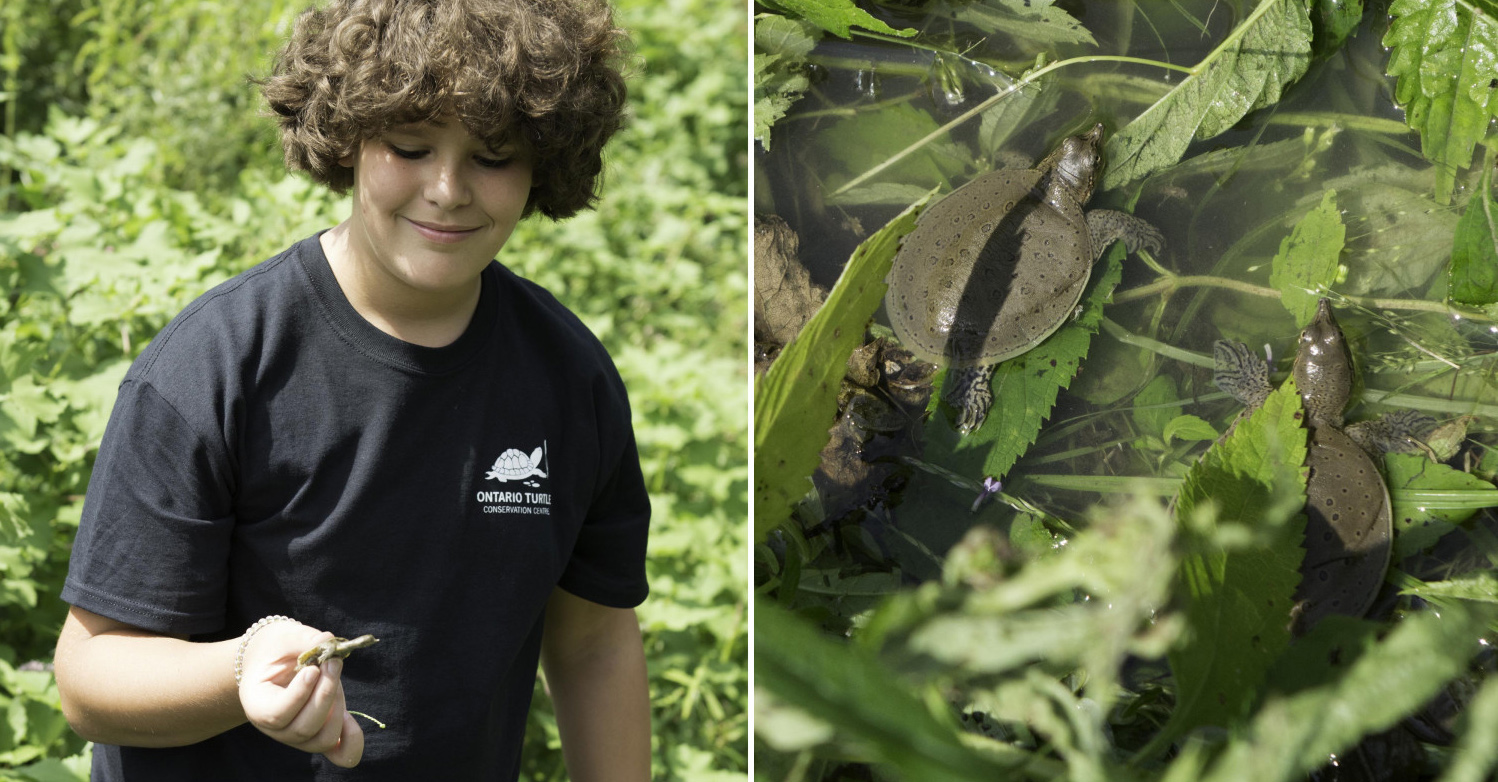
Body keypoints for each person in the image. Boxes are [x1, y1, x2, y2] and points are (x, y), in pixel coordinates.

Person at [51, 0, 652, 778]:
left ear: (546, 161)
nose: (447, 188)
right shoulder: (217, 364)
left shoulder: (569, 377)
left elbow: (594, 641)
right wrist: (242, 673)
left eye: (494, 156)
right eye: (410, 146)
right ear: (347, 136)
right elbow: (90, 679)